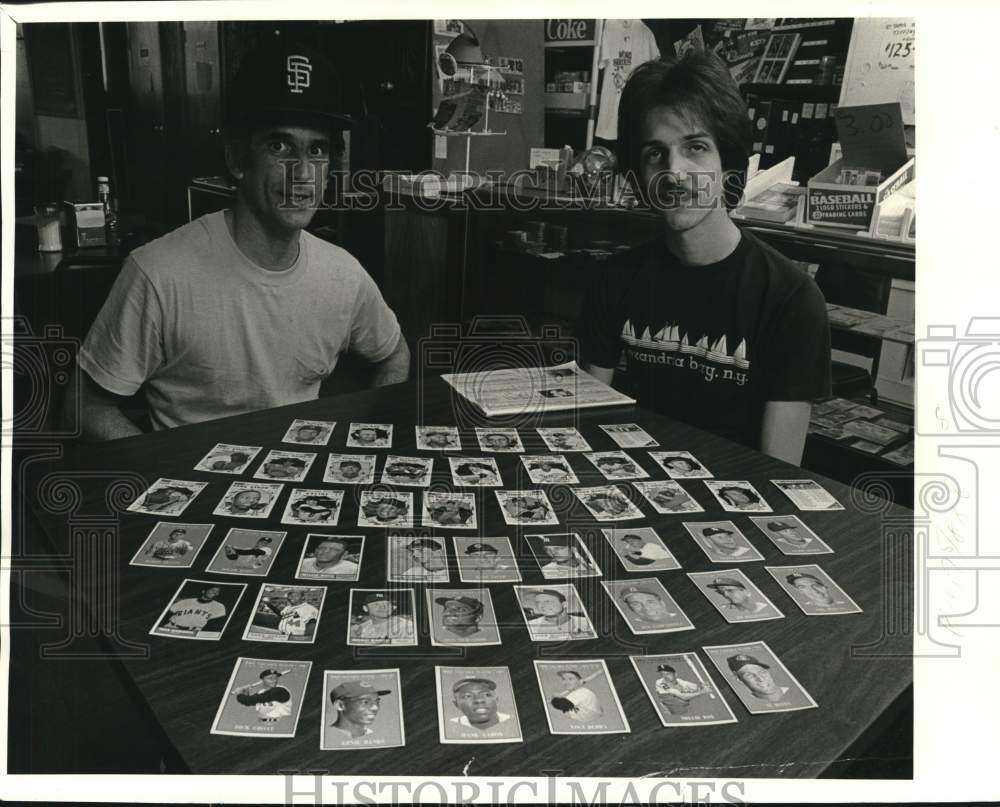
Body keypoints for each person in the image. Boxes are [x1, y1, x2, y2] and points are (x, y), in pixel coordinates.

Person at [73, 41, 409, 440]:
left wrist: (365, 438)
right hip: (197, 483)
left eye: (317, 150)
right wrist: (165, 475)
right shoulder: (158, 273)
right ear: (237, 160)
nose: (302, 174)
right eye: (278, 146)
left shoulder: (343, 273)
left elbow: (394, 354)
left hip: (303, 487)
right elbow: (84, 406)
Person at [578, 52, 830, 465]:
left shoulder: (791, 298)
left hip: (736, 507)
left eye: (695, 147)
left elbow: (779, 475)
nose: (675, 173)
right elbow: (586, 425)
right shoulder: (615, 278)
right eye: (655, 153)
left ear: (727, 162)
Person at [525, 589, 594, 639]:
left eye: (548, 601)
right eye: (538, 602)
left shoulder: (586, 622)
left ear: (564, 604)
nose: (541, 606)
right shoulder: (530, 625)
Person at [350, 592, 415, 644]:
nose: (383, 607)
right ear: (365, 608)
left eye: (387, 604)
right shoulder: (362, 627)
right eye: (376, 604)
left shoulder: (406, 627)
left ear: (393, 608)